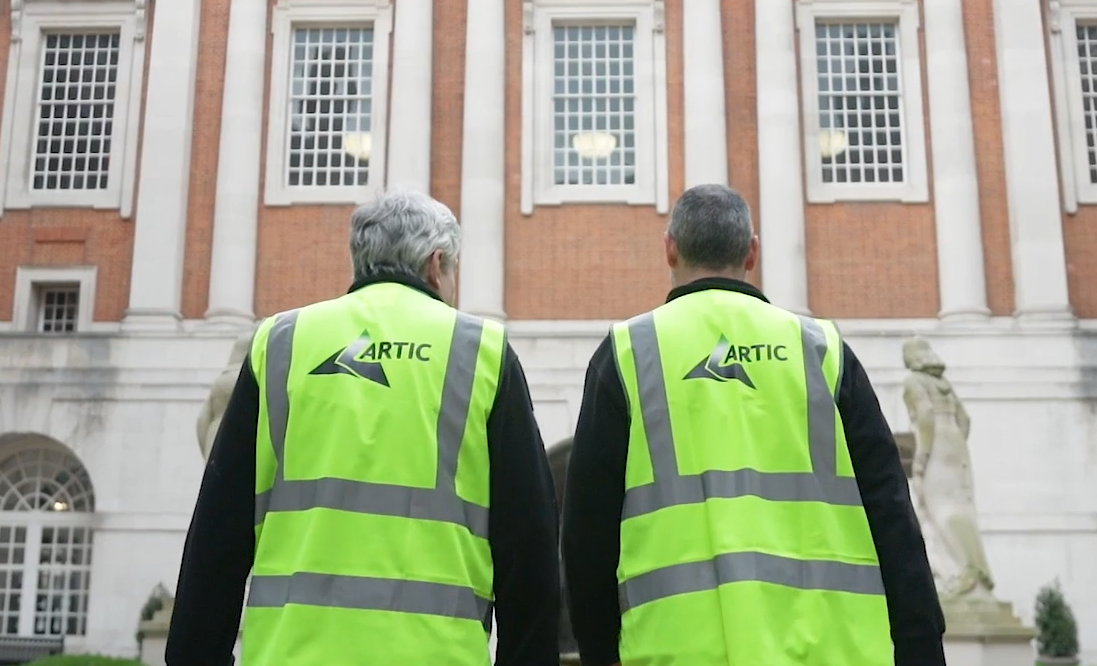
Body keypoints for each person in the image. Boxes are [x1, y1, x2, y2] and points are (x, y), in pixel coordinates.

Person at [167, 191, 561, 666]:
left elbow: (217, 536)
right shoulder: (481, 352)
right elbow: (529, 545)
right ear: (437, 265)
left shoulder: (280, 344)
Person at [560, 184, 946, 666]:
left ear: (670, 249)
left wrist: (600, 653)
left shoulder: (629, 353)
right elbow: (892, 518)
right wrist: (922, 648)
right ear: (752, 252)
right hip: (832, 652)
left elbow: (585, 538)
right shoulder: (821, 351)